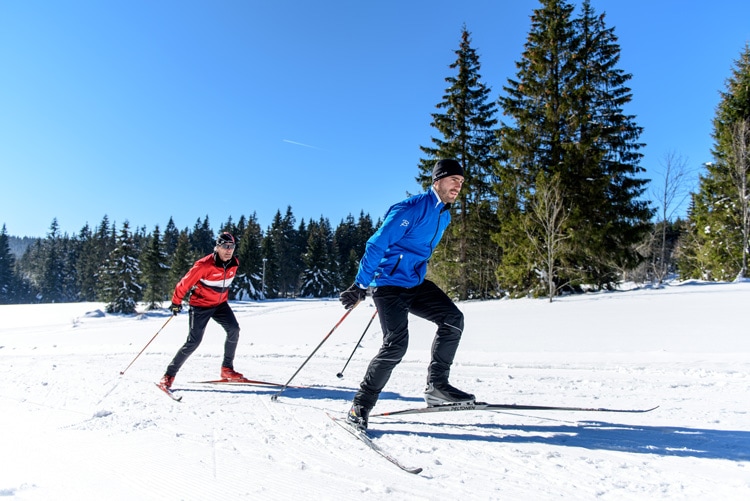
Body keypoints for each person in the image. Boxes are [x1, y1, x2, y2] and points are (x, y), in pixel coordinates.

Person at [339, 159, 475, 430]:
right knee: (396, 345)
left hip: (413, 282)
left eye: (461, 182)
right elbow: (377, 244)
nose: (458, 186)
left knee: (452, 319)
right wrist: (360, 285)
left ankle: (437, 387)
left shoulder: (443, 215)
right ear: (437, 180)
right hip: (388, 285)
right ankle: (360, 406)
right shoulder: (411, 208)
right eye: (453, 180)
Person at [157, 232, 247, 390]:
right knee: (194, 341)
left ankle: (227, 369)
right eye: (225, 246)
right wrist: (176, 302)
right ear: (217, 247)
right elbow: (184, 283)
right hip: (200, 305)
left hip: (220, 305)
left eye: (231, 246)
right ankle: (169, 375)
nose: (229, 250)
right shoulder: (204, 265)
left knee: (234, 329)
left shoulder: (234, 263)